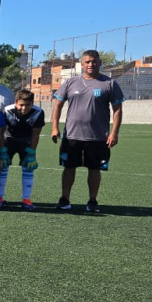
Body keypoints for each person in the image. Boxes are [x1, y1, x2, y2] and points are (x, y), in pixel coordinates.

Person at [50, 49, 123, 213]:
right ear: (82, 64)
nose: (91, 64)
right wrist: (54, 127)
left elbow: (117, 110)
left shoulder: (109, 83)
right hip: (72, 135)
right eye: (87, 62)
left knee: (95, 169)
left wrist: (114, 133)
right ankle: (65, 199)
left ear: (99, 63)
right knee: (69, 168)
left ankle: (92, 200)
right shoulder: (70, 83)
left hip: (98, 137)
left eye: (94, 61)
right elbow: (58, 105)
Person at [0, 88, 45, 211]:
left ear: (32, 103)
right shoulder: (7, 110)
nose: (24, 108)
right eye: (21, 105)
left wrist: (31, 153)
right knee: (3, 167)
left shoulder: (38, 112)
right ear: (16, 102)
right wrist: (2, 150)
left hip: (26, 142)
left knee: (28, 168)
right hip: (9, 140)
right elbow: (1, 131)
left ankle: (26, 199)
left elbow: (35, 135)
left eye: (28, 105)